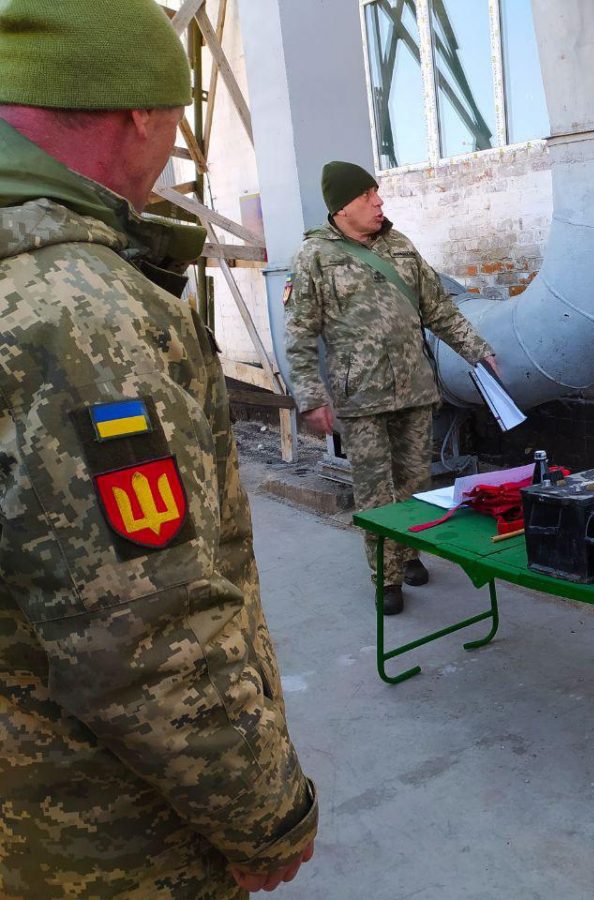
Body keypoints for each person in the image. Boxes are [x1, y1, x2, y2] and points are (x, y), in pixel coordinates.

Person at [0, 2, 317, 896]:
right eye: (176, 119)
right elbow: (146, 634)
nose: (174, 147)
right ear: (138, 112)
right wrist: (268, 815)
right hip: (95, 839)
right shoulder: (76, 312)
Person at [285, 162, 497, 615]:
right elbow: (300, 334)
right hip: (361, 397)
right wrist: (311, 397)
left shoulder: (400, 246)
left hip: (415, 389)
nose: (379, 201)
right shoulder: (314, 257)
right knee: (375, 491)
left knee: (416, 482)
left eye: (377, 193)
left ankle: (411, 551)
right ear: (342, 207)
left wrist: (477, 350)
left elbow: (438, 309)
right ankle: (387, 575)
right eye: (367, 195)